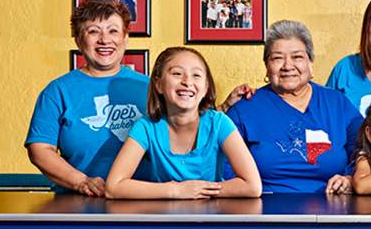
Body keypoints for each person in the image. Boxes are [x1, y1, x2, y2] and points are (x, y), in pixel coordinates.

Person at [25, 0, 149, 196]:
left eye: (113, 31)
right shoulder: (57, 91)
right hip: (76, 203)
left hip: (143, 201)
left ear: (125, 38)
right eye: (93, 31)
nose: (104, 40)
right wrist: (81, 182)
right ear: (78, 39)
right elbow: (40, 150)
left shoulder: (151, 87)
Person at [105, 47, 261, 199]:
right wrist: (177, 190)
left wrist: (198, 191)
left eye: (196, 75)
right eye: (177, 73)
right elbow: (113, 187)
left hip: (210, 218)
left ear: (206, 88)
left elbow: (252, 186)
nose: (187, 81)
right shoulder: (146, 127)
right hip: (162, 218)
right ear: (159, 84)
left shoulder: (219, 123)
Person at [226, 20, 363, 194]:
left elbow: (363, 151)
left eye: (297, 57)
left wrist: (351, 179)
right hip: (265, 210)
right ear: (266, 67)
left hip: (332, 209)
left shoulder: (337, 103)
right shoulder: (244, 109)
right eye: (277, 58)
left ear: (310, 63)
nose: (287, 66)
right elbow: (225, 168)